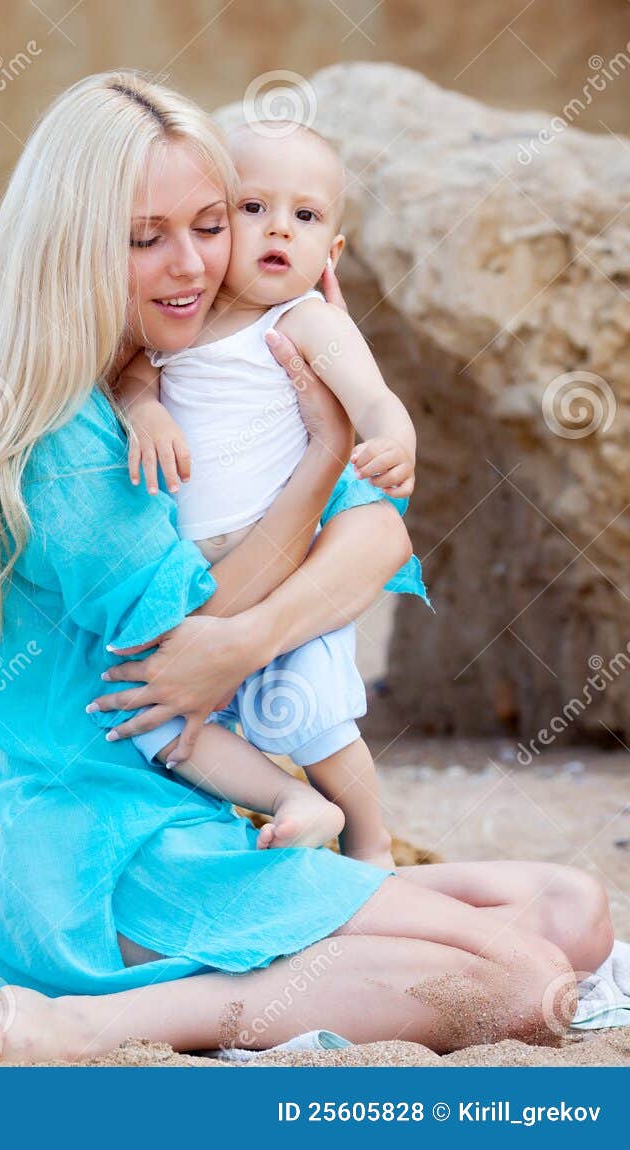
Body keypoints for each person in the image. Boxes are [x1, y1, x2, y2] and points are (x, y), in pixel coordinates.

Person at [0, 71, 614, 1063]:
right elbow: (187, 644)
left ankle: (236, 976)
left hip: (211, 831)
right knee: (525, 981)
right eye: (144, 237)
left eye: (210, 224)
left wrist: (259, 617)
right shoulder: (75, 439)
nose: (190, 266)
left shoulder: (211, 378)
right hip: (105, 869)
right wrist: (321, 448)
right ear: (72, 245)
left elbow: (381, 536)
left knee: (572, 905)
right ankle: (97, 1020)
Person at [102, 121, 425, 867]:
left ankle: (372, 844)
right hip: (193, 580)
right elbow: (132, 375)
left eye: (305, 216)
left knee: (312, 714)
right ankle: (292, 802)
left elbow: (373, 398)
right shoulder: (180, 318)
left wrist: (394, 439)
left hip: (283, 561)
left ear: (331, 253)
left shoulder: (305, 320)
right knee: (154, 718)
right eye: (252, 209)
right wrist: (146, 409)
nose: (279, 227)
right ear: (216, 222)